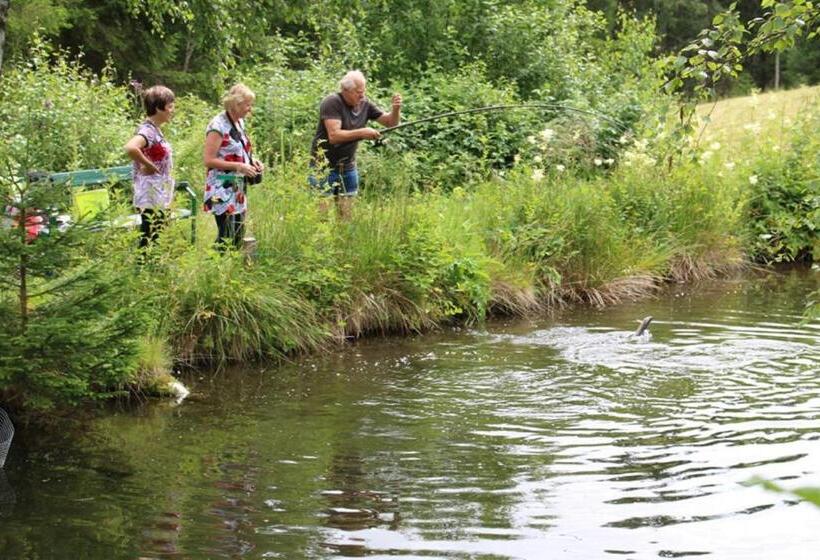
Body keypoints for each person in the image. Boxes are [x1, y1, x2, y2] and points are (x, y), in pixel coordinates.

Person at [310, 70, 401, 216]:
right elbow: (334, 136)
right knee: (322, 218)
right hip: (323, 167)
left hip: (347, 167)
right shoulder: (332, 102)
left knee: (346, 216)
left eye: (363, 92)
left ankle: (343, 239)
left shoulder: (364, 103)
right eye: (358, 92)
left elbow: (390, 123)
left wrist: (396, 110)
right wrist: (363, 132)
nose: (362, 96)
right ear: (346, 90)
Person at [203, 83, 264, 250]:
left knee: (237, 234)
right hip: (220, 188)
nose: (249, 109)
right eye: (247, 105)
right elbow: (208, 160)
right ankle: (211, 269)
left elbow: (238, 149)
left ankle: (227, 271)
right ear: (235, 104)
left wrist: (252, 161)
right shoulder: (217, 125)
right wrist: (239, 166)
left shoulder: (239, 122)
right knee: (226, 236)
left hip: (237, 188)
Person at [124, 85, 175, 251]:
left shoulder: (155, 130)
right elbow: (131, 148)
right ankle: (143, 267)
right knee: (149, 233)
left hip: (158, 190)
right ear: (158, 108)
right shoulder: (148, 131)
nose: (172, 110)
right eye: (169, 106)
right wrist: (149, 165)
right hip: (150, 192)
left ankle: (152, 267)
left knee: (156, 232)